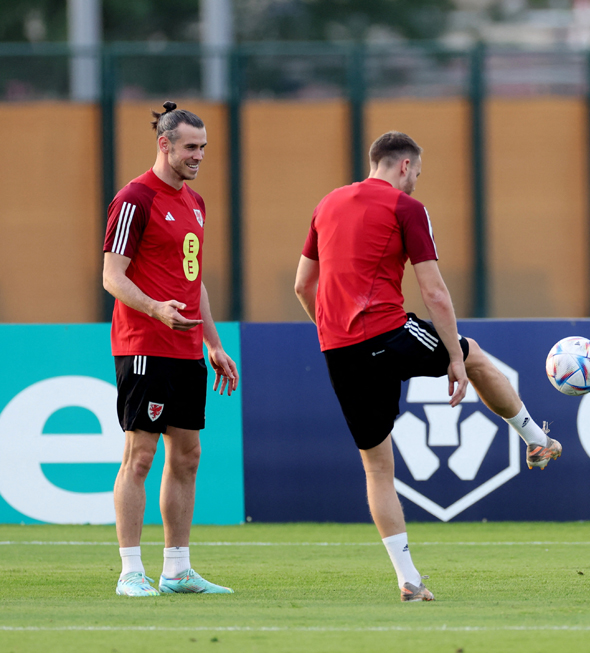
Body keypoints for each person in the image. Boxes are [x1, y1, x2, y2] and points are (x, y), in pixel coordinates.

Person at [293, 131, 561, 602]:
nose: (416, 180)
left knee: (377, 469)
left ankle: (409, 579)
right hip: (387, 332)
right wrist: (454, 358)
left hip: (338, 349)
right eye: (417, 172)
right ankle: (536, 440)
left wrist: (333, 331)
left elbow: (302, 285)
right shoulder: (406, 208)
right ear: (403, 166)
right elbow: (434, 291)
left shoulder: (326, 204)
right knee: (473, 353)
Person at [102, 101, 239, 597]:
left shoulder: (196, 203)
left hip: (185, 349)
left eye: (203, 148)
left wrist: (214, 343)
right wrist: (155, 309)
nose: (198, 156)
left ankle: (177, 570)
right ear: (164, 144)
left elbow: (194, 280)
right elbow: (111, 277)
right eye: (190, 148)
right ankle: (130, 572)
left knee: (188, 456)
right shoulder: (134, 198)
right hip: (143, 344)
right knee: (140, 456)